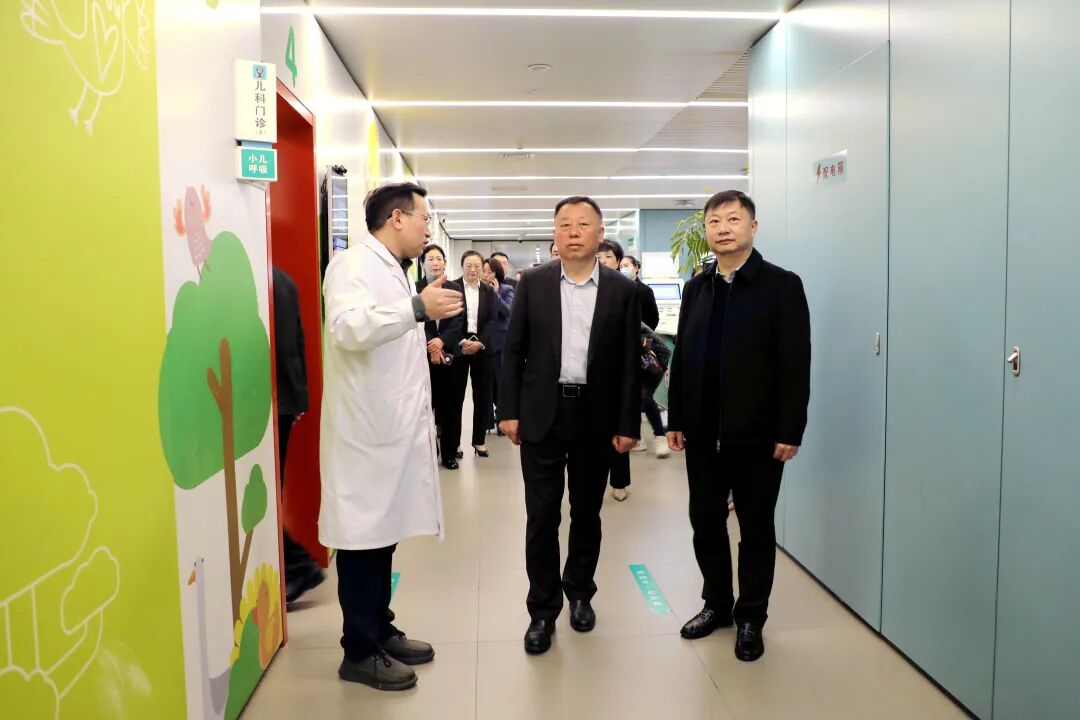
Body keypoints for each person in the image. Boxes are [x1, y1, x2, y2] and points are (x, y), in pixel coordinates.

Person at [320, 182, 464, 690]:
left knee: (383, 540)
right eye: (424, 218)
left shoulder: (393, 269)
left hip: (390, 434)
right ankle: (359, 651)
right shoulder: (352, 265)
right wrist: (417, 309)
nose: (428, 229)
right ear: (397, 218)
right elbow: (346, 328)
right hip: (365, 436)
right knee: (363, 543)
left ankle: (379, 629)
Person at [666, 190, 810, 663]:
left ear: (753, 227)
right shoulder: (697, 289)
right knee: (705, 523)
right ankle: (717, 604)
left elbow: (795, 363)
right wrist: (677, 418)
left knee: (755, 528)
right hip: (702, 433)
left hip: (759, 435)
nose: (723, 228)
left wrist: (790, 429)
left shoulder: (782, 286)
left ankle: (751, 617)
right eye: (714, 221)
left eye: (733, 219)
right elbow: (683, 359)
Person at [499, 196, 641, 655]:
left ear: (600, 234)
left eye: (583, 224)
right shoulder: (534, 283)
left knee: (586, 512)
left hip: (595, 417)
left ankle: (580, 593)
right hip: (542, 413)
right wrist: (508, 410)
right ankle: (542, 610)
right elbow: (513, 350)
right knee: (541, 515)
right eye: (565, 224)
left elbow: (628, 363)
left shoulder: (622, 290)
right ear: (555, 234)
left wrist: (627, 422)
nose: (574, 231)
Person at [272, 266, 326, 604]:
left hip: (269, 403)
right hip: (285, 399)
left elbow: (282, 344)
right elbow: (297, 341)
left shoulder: (264, 278)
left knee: (264, 496)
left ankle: (298, 566)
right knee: (270, 492)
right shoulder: (283, 279)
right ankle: (294, 566)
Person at [443, 250, 499, 467]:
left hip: (482, 348)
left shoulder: (488, 291)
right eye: (468, 265)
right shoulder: (453, 288)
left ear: (482, 268)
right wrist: (460, 342)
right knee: (454, 399)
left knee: (483, 397)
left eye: (477, 266)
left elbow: (493, 320)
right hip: (459, 347)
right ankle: (453, 445)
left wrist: (480, 342)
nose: (473, 270)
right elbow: (449, 319)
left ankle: (479, 441)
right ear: (462, 266)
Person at [595, 240, 634, 501]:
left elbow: (648, 320)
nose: (603, 260)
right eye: (599, 256)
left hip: (619, 368)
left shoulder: (628, 289)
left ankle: (619, 481)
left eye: (608, 256)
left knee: (619, 429)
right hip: (592, 371)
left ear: (618, 260)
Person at [416, 245, 462, 456]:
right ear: (423, 263)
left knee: (451, 406)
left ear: (445, 262)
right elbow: (416, 321)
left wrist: (441, 341)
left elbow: (458, 320)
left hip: (450, 355)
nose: (435, 263)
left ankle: (450, 453)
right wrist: (431, 345)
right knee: (426, 406)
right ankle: (428, 450)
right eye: (430, 259)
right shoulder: (415, 288)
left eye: (438, 259)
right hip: (422, 357)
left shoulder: (454, 287)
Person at [482, 257, 514, 433]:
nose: (487, 275)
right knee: (486, 384)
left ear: (497, 273)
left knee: (500, 383)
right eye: (484, 271)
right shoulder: (478, 289)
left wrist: (495, 294)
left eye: (490, 272)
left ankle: (502, 417)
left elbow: (507, 312)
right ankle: (487, 422)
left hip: (500, 343)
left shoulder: (507, 289)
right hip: (483, 342)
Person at [619, 255, 660, 332]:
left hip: (639, 334)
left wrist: (645, 334)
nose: (623, 269)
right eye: (621, 267)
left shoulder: (645, 290)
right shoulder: (617, 288)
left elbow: (653, 318)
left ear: (636, 268)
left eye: (626, 266)